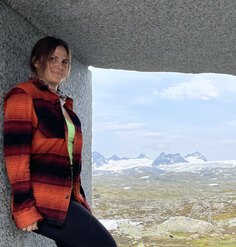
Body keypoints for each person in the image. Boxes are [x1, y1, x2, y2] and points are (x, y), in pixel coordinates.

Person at [3, 36, 117, 247]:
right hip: (43, 200)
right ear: (37, 61)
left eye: (64, 62)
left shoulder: (65, 107)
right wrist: (24, 207)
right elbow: (16, 156)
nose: (59, 66)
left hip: (67, 198)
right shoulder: (23, 96)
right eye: (53, 59)